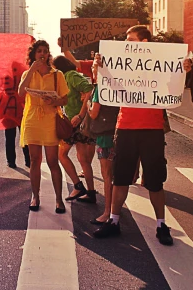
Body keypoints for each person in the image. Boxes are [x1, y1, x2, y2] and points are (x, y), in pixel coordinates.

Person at [94, 25, 174, 246]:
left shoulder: (160, 66)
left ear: (145, 43)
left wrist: (182, 70)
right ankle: (114, 221)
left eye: (131, 40)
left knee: (155, 181)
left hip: (152, 129)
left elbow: (174, 87)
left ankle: (161, 225)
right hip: (126, 127)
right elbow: (106, 84)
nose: (127, 44)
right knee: (120, 179)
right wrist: (100, 69)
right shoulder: (122, 65)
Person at [18, 40, 69, 213]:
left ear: (48, 54)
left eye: (45, 51)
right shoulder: (28, 73)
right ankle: (35, 196)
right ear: (33, 54)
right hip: (32, 119)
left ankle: (58, 199)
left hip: (50, 119)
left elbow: (65, 99)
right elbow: (20, 92)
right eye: (39, 51)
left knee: (53, 161)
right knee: (34, 160)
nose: (42, 54)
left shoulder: (57, 74)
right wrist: (32, 70)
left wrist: (54, 100)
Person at [52, 55, 97, 203]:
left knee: (62, 154)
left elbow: (90, 90)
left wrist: (80, 114)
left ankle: (79, 186)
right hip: (74, 123)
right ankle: (90, 192)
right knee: (82, 158)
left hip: (78, 123)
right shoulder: (64, 77)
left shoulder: (71, 75)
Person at [87, 59, 120, 225]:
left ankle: (108, 212)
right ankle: (114, 210)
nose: (92, 70)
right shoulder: (118, 85)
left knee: (107, 176)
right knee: (114, 175)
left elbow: (93, 113)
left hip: (104, 136)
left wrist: (86, 103)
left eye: (94, 67)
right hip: (117, 132)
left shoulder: (101, 88)